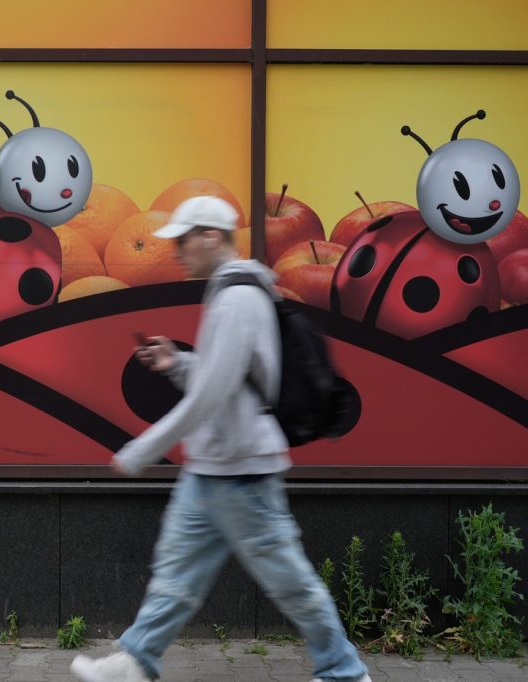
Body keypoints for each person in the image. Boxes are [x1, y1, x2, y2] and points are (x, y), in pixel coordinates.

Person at [70, 196, 370, 682]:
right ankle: (134, 660)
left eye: (184, 240)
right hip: (213, 465)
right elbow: (225, 379)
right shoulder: (230, 292)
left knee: (289, 580)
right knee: (175, 573)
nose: (177, 251)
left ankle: (344, 670)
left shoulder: (238, 298)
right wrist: (178, 363)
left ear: (211, 237)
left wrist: (142, 449)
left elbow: (213, 395)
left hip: (243, 469)